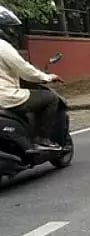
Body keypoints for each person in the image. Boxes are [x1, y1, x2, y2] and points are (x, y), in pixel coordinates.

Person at [0, 6, 63, 151]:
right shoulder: (3, 47)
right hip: (6, 97)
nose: (13, 33)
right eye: (10, 29)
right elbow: (25, 70)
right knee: (50, 98)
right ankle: (42, 138)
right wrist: (47, 78)